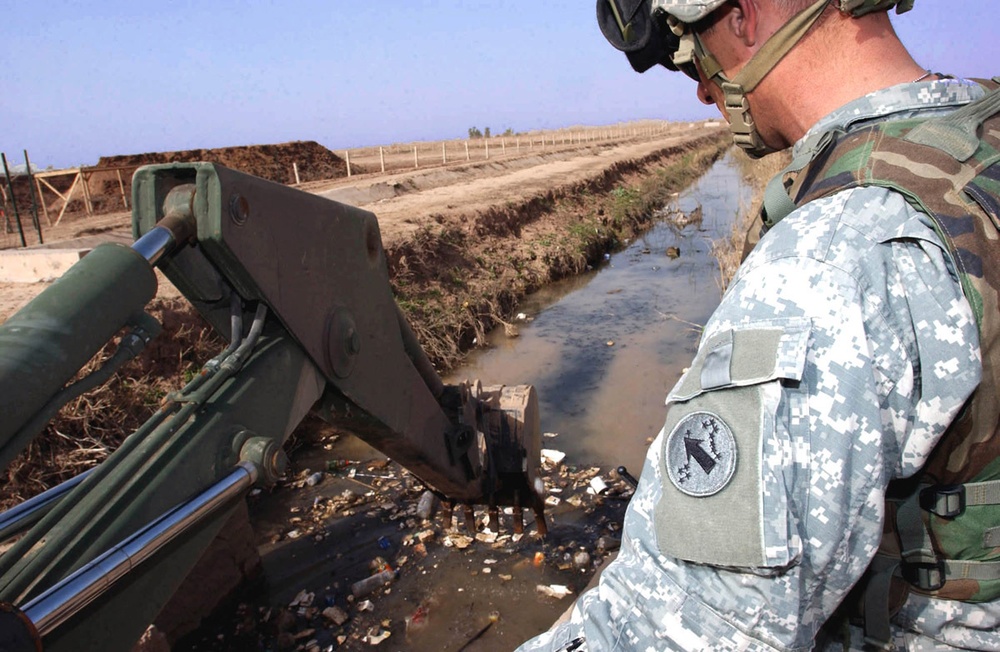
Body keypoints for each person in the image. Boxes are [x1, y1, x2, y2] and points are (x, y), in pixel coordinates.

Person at [518, 0, 1000, 649]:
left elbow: (687, 629)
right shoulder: (977, 146)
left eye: (689, 50)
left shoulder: (830, 262)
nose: (700, 86)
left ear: (743, 17)